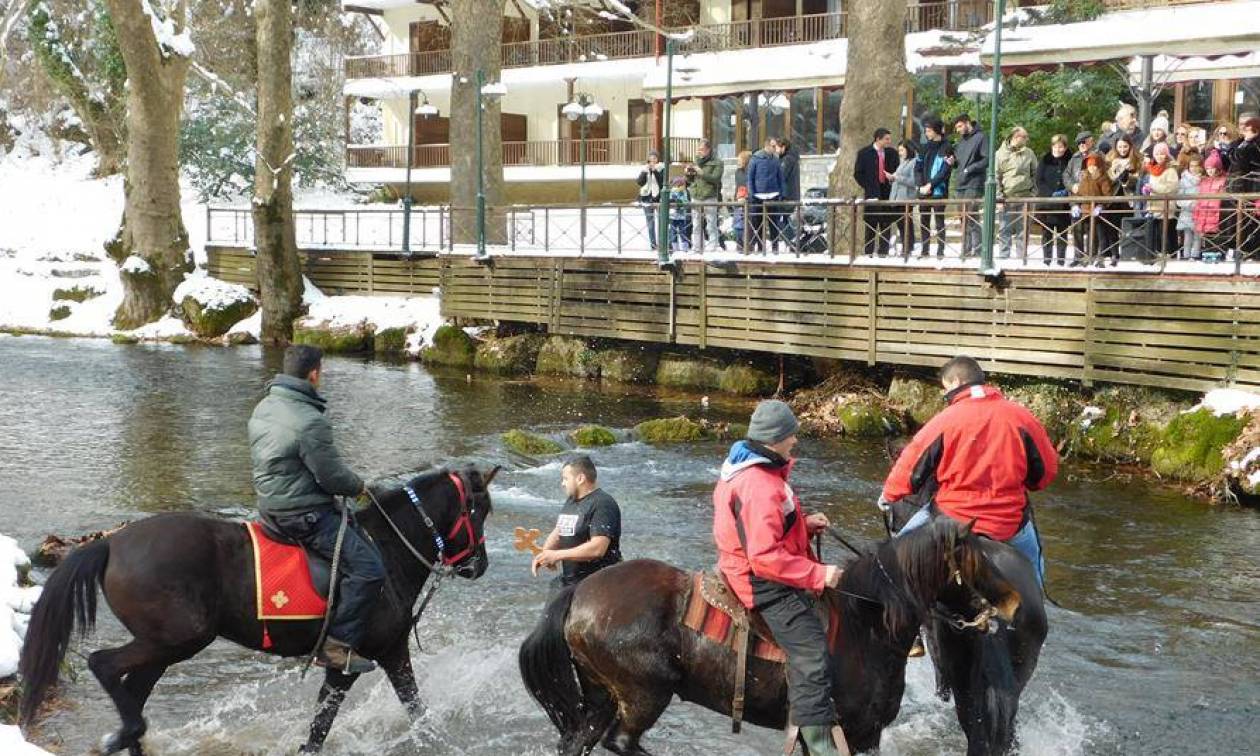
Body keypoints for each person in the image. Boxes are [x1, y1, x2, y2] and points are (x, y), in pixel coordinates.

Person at [712, 401, 845, 756]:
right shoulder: (760, 485)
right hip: (759, 580)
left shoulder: (752, 467)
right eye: (791, 434)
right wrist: (820, 573)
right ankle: (817, 745)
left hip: (747, 563)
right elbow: (765, 557)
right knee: (812, 651)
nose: (796, 440)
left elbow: (769, 527)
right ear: (775, 440)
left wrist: (803, 524)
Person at [249, 345, 382, 675]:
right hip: (303, 514)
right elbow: (332, 476)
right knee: (369, 568)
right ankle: (336, 646)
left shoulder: (265, 406)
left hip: (269, 507)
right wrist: (360, 486)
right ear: (314, 374)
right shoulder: (309, 421)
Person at [880, 356, 1058, 587]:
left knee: (891, 561)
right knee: (1034, 569)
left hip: (951, 520)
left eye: (946, 391)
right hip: (1008, 523)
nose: (946, 398)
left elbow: (910, 465)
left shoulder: (944, 420)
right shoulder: (1022, 417)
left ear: (955, 382)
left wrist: (888, 496)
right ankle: (1038, 594)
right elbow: (1047, 472)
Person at [531, 455, 622, 592]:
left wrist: (557, 555)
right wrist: (545, 554)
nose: (563, 483)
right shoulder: (571, 501)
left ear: (580, 478)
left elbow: (598, 548)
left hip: (599, 584)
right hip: (571, 581)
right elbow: (559, 531)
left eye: (566, 479)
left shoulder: (603, 504)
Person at [853, 127, 899, 257]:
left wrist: (892, 179)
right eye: (886, 139)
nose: (889, 142)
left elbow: (897, 170)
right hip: (872, 193)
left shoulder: (892, 153)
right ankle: (868, 252)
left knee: (886, 223)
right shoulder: (864, 153)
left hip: (887, 192)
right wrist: (869, 186)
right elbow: (858, 173)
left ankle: (883, 252)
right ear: (878, 139)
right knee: (871, 224)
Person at [995, 125, 1037, 259]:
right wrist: (999, 197)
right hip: (1007, 197)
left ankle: (1022, 258)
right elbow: (996, 176)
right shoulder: (1000, 153)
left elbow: (1035, 173)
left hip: (1025, 197)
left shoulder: (1029, 153)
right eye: (1024, 137)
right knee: (1004, 229)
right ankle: (1003, 257)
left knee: (1023, 230)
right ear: (1016, 137)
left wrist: (1033, 193)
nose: (1026, 139)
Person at [952, 114, 989, 256]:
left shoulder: (981, 137)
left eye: (960, 126)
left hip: (974, 183)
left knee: (971, 217)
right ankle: (966, 250)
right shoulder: (961, 141)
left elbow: (986, 159)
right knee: (963, 218)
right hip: (961, 183)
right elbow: (958, 163)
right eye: (956, 128)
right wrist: (952, 162)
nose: (958, 130)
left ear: (968, 123)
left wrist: (970, 169)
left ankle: (978, 250)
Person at [916, 117, 953, 258]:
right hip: (923, 191)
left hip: (938, 191)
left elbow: (945, 171)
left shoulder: (947, 147)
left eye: (929, 130)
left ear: (937, 131)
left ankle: (940, 251)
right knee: (924, 222)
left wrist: (931, 184)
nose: (927, 133)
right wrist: (921, 185)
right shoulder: (924, 147)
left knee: (939, 221)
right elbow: (917, 168)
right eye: (926, 130)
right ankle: (924, 251)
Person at [1075, 153, 1117, 266]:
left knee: (1100, 235)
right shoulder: (1084, 178)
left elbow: (1108, 195)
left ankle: (1101, 258)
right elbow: (1079, 194)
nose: (1092, 168)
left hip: (1099, 214)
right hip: (1085, 212)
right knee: (1089, 236)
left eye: (1094, 165)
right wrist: (1076, 205)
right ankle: (1089, 257)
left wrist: (1101, 206)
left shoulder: (1103, 178)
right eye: (1089, 165)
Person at [1227, 116, 1260, 259]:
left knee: (1254, 222)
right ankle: (1240, 252)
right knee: (1239, 222)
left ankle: (1254, 253)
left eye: (1247, 125)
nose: (1243, 128)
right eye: (1241, 125)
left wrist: (1250, 142)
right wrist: (1246, 142)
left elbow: (1249, 162)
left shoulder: (1256, 144)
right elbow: (1235, 162)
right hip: (1238, 188)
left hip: (1255, 187)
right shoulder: (1237, 144)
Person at [1036, 134, 1072, 266]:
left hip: (1064, 203)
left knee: (1063, 232)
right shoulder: (1045, 160)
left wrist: (1065, 193)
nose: (1058, 149)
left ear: (1065, 147)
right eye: (1056, 146)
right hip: (1047, 204)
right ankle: (1047, 260)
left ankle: (1061, 260)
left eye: (1061, 146)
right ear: (1052, 147)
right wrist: (1050, 194)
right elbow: (1039, 180)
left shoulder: (1070, 160)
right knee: (1047, 233)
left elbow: (1072, 177)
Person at [748, 137, 785, 252]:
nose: (775, 149)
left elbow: (780, 177)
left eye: (775, 146)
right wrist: (752, 194)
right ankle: (760, 247)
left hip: (773, 194)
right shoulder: (756, 159)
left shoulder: (775, 159)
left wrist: (781, 193)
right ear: (767, 146)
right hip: (759, 196)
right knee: (758, 224)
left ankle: (775, 248)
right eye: (773, 146)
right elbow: (750, 177)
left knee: (774, 224)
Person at [1064, 131, 1095, 264]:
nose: (1081, 145)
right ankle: (1078, 257)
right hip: (1076, 200)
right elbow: (1066, 176)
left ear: (1091, 141)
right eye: (1078, 143)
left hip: (1092, 200)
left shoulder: (1098, 156)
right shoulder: (1074, 159)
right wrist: (1072, 186)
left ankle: (1090, 257)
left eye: (1083, 142)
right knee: (1077, 229)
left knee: (1092, 230)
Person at [689, 139, 726, 252]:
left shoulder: (717, 162)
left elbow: (716, 178)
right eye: (698, 149)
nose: (700, 152)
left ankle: (713, 246)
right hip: (696, 195)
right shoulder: (696, 161)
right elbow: (691, 180)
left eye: (702, 149)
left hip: (710, 195)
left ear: (708, 150)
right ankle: (696, 247)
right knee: (696, 224)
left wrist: (701, 173)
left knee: (711, 223)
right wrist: (688, 174)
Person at [1145, 141, 1180, 257]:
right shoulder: (1153, 169)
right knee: (1157, 233)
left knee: (1166, 232)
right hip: (1154, 206)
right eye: (1157, 154)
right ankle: (1159, 252)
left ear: (1166, 155)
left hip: (1166, 207)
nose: (1159, 156)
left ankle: (1170, 253)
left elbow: (1172, 187)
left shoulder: (1171, 170)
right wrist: (1146, 190)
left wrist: (1153, 188)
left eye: (1162, 154)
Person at [1195, 151, 1228, 261]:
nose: (1210, 171)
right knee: (1207, 239)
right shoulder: (1203, 181)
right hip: (1204, 215)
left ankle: (1219, 257)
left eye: (1212, 168)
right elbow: (1199, 200)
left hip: (1217, 216)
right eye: (1207, 168)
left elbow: (1224, 200)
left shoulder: (1224, 181)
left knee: (1218, 239)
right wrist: (1197, 214)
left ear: (1218, 168)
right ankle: (1208, 257)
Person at [889, 140, 919, 256]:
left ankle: (908, 247)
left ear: (908, 149)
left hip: (906, 197)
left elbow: (913, 181)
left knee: (905, 223)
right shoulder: (902, 162)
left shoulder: (914, 162)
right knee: (901, 224)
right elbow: (898, 179)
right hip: (896, 197)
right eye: (899, 150)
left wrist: (897, 177)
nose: (900, 153)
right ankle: (906, 246)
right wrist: (892, 178)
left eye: (902, 150)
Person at [1177, 154, 1204, 260]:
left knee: (1198, 235)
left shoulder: (1204, 180)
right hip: (1187, 212)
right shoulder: (1183, 180)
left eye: (1197, 166)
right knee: (1187, 235)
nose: (1194, 168)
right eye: (1192, 166)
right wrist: (1189, 203)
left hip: (1200, 212)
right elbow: (1178, 198)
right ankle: (1186, 255)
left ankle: (1196, 255)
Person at [636, 151, 665, 251]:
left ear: (658, 159)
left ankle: (662, 244)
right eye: (650, 159)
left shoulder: (662, 168)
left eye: (654, 158)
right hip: (647, 198)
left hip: (658, 198)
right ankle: (653, 244)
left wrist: (655, 171)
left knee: (662, 222)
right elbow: (639, 182)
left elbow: (662, 182)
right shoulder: (645, 169)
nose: (652, 161)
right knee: (650, 223)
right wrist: (645, 172)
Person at [668, 176, 691, 251]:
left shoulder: (674, 191)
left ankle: (676, 247)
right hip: (678, 215)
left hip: (675, 215)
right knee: (681, 231)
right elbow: (685, 201)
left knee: (674, 232)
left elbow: (684, 201)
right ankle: (683, 247)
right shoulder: (681, 191)